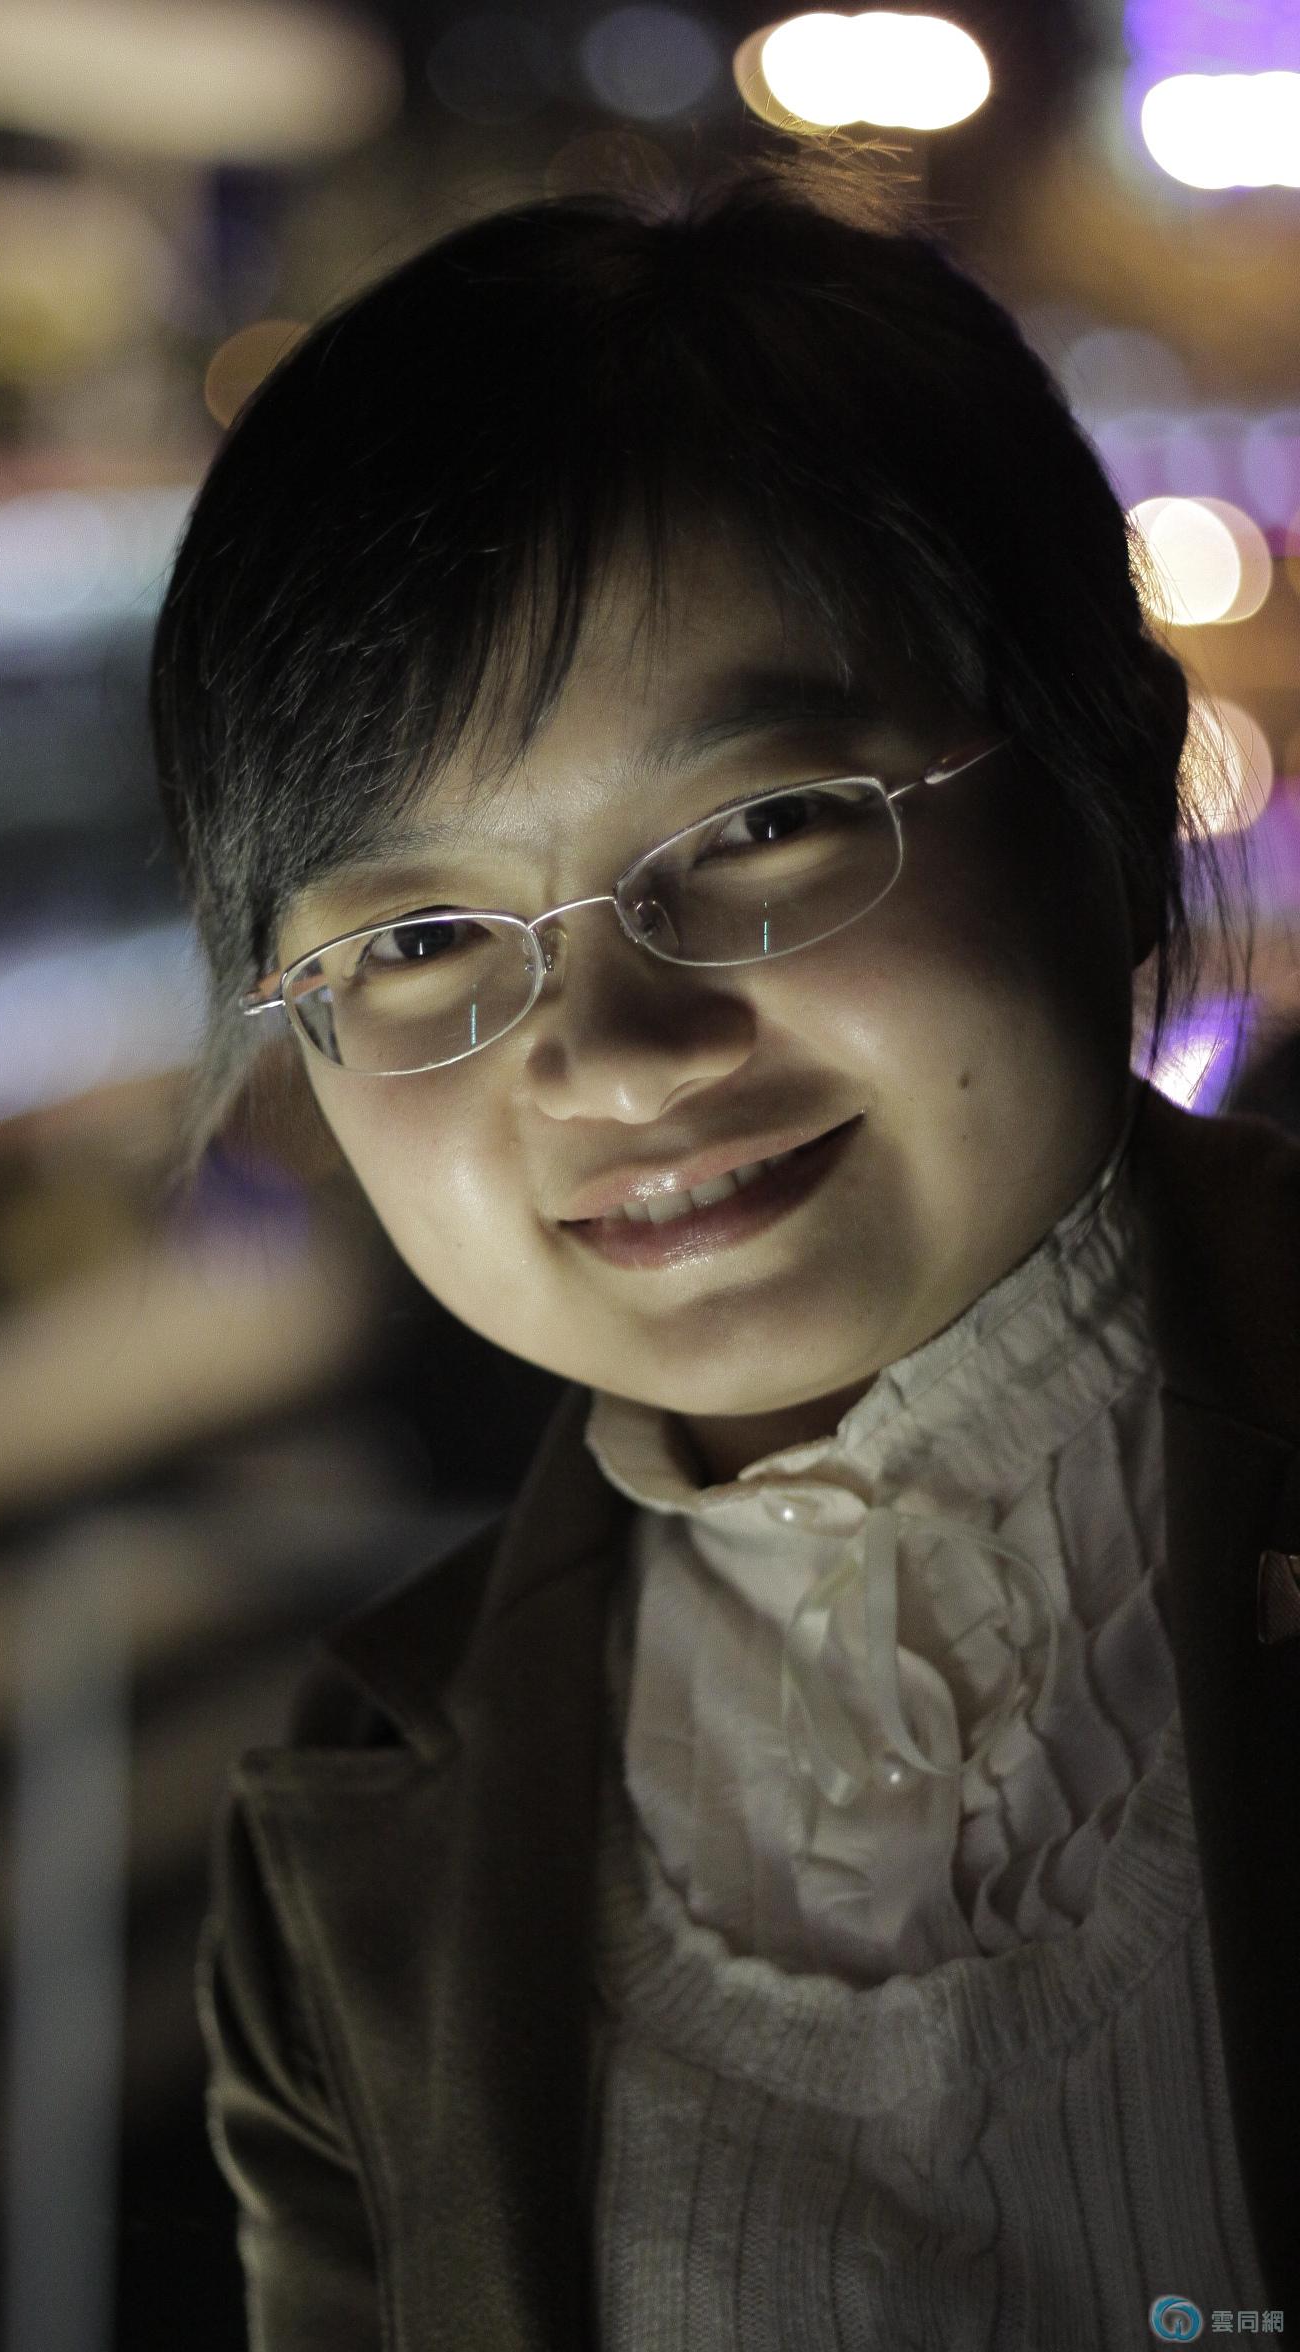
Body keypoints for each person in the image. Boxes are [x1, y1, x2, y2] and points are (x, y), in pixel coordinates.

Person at [150, 157, 1300, 2351]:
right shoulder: (355, 1856)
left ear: (1112, 785)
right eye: (417, 938)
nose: (609, 1053)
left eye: (761, 825)